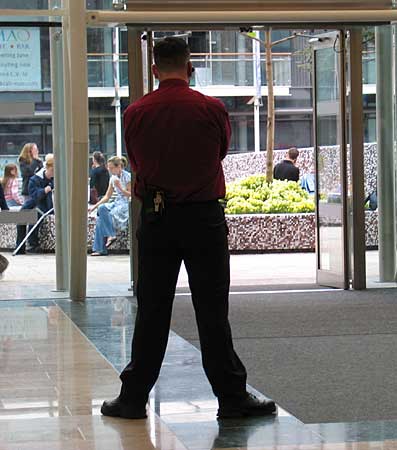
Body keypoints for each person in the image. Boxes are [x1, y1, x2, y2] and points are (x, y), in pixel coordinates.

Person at [101, 37, 276, 420]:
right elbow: (219, 154)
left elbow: (136, 162)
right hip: (204, 218)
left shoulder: (136, 113)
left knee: (152, 309)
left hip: (157, 217)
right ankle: (231, 397)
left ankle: (133, 398)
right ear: (190, 67)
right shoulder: (211, 109)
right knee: (212, 310)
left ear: (153, 70)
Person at [88, 156, 131, 256]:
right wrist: (94, 207)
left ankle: (101, 248)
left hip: (125, 204)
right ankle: (110, 235)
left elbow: (130, 194)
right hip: (117, 202)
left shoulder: (127, 176)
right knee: (102, 209)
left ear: (119, 167)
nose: (110, 170)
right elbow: (107, 196)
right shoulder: (113, 178)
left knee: (100, 220)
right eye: (109, 168)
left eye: (112, 168)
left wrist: (120, 187)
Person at [15, 155, 54, 255]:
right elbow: (34, 195)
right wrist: (44, 190)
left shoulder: (56, 179)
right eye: (51, 171)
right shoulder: (35, 179)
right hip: (36, 202)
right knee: (21, 216)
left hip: (46, 205)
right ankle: (20, 247)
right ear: (47, 168)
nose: (52, 174)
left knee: (35, 215)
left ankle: (33, 244)